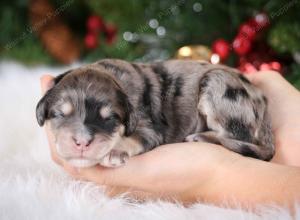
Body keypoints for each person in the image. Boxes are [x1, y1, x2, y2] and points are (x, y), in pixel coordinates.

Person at [40, 70, 300, 208]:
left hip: (226, 95)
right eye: (62, 116)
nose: (82, 137)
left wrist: (127, 146)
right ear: (43, 111)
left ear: (128, 117)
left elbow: (152, 132)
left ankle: (237, 139)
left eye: (107, 119)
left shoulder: (134, 104)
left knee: (218, 81)